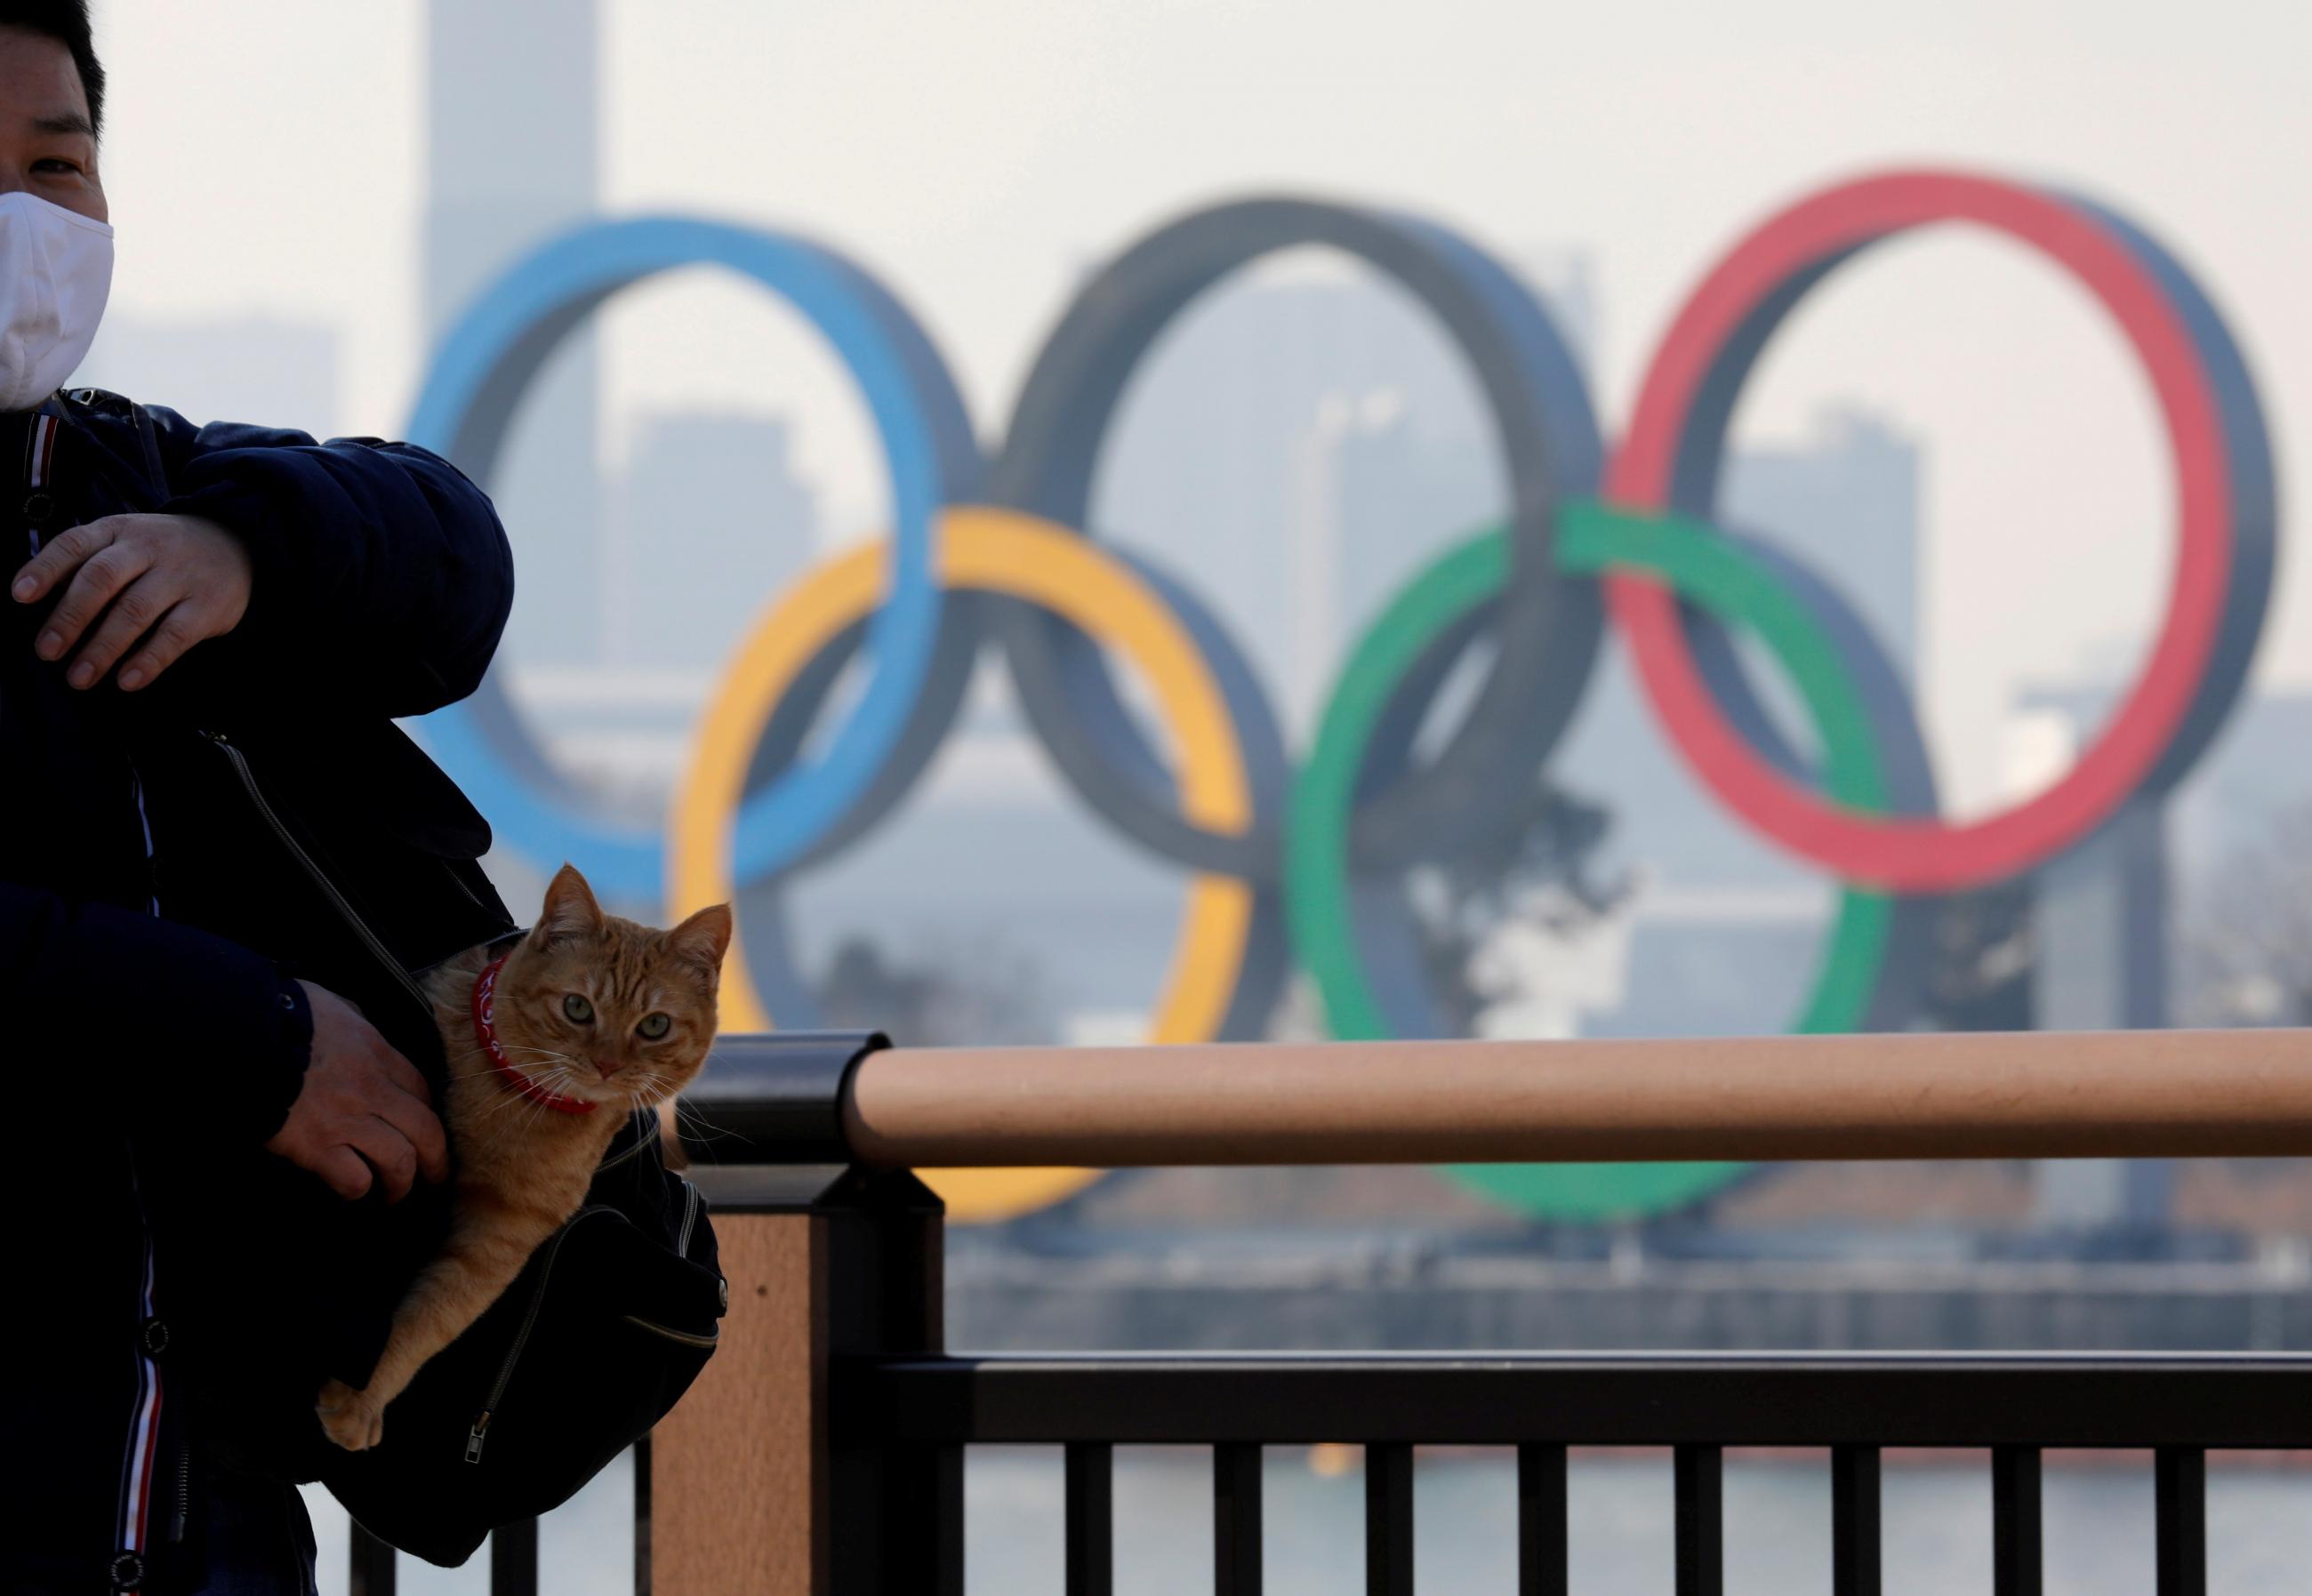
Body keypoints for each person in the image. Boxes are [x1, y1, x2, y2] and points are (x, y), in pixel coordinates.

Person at [0, 6, 519, 1592]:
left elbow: (449, 555)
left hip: (186, 1511)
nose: (26, 219)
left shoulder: (127, 477)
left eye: (57, 165)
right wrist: (247, 1038)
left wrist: (245, 549)